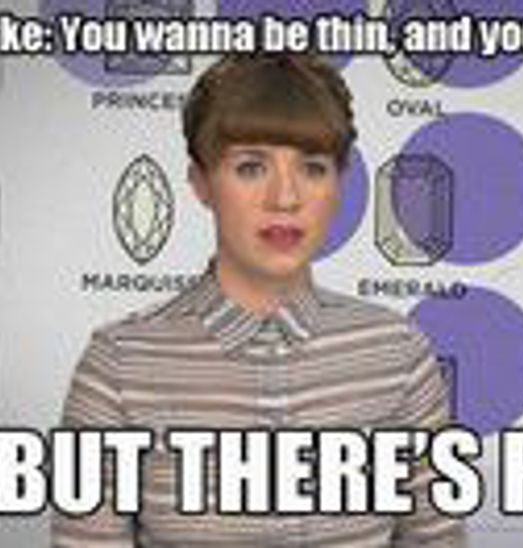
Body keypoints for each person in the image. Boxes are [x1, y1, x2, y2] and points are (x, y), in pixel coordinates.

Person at [51, 52, 465, 547]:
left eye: (313, 168)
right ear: (201, 182)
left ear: (339, 183)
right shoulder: (118, 363)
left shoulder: (399, 352)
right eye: (250, 167)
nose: (285, 198)